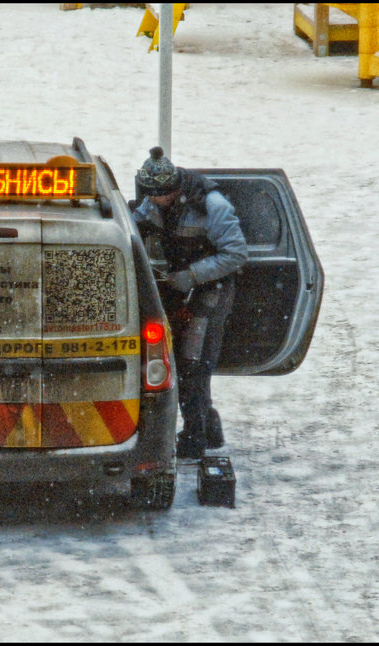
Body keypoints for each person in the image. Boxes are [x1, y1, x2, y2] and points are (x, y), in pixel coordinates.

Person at [132, 147, 248, 459]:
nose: (153, 201)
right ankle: (207, 429)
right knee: (182, 364)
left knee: (194, 365)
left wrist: (193, 276)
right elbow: (136, 224)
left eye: (159, 196)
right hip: (182, 287)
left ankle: (195, 437)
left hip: (213, 290)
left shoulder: (213, 206)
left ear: (175, 188)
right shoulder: (153, 200)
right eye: (150, 195)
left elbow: (236, 254)